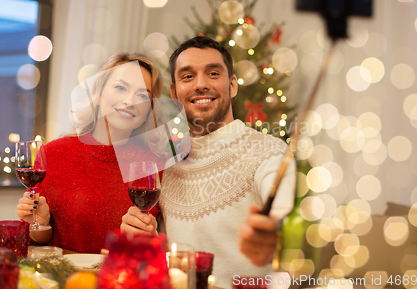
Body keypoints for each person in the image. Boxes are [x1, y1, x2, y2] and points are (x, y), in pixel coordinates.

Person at [121, 36, 297, 288]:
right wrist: (142, 233)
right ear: (174, 92)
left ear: (233, 85)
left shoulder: (269, 152)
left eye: (213, 73)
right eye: (187, 76)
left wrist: (275, 223)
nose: (201, 84)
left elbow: (285, 213)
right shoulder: (165, 165)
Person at [17, 52, 166, 254]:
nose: (130, 101)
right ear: (98, 94)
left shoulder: (157, 163)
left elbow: (165, 247)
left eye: (142, 95)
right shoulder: (53, 154)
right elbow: (40, 241)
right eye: (120, 87)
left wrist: (150, 239)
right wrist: (40, 225)